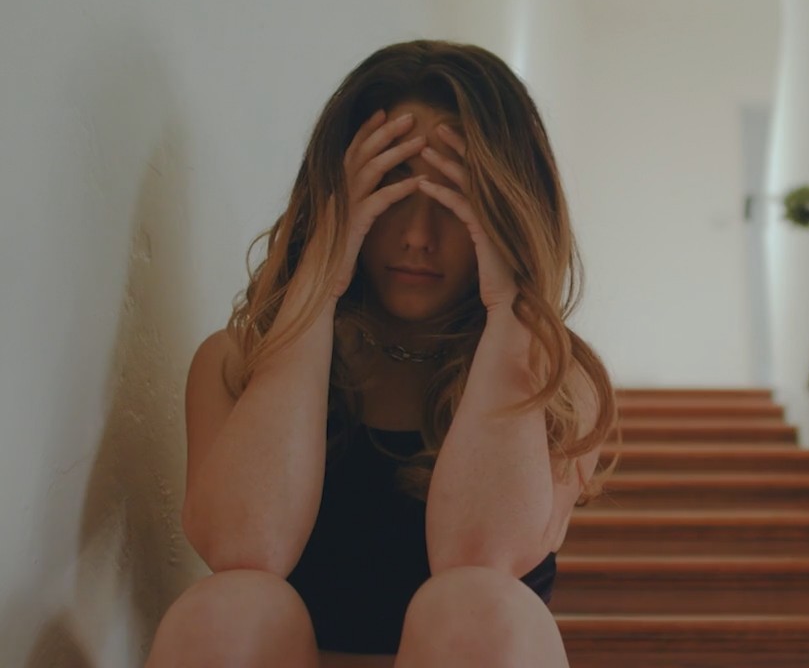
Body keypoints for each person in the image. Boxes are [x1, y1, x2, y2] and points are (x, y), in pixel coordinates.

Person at [146, 40, 618, 668]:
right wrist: (320, 281)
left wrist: (510, 307)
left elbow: (483, 556)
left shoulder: (559, 385)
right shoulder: (238, 364)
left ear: (508, 211)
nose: (417, 236)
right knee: (227, 607)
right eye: (391, 189)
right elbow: (244, 545)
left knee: (477, 603)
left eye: (454, 199)